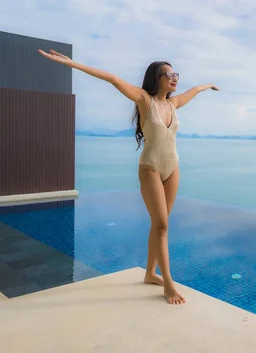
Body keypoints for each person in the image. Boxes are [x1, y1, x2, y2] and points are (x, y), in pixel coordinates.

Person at [39, 49, 219, 304]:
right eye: (168, 74)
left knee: (160, 224)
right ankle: (167, 283)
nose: (174, 78)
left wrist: (207, 85)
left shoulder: (173, 103)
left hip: (172, 168)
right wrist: (73, 64)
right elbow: (113, 79)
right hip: (151, 169)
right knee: (162, 224)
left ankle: (149, 273)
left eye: (175, 74)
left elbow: (195, 91)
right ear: (156, 78)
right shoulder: (144, 99)